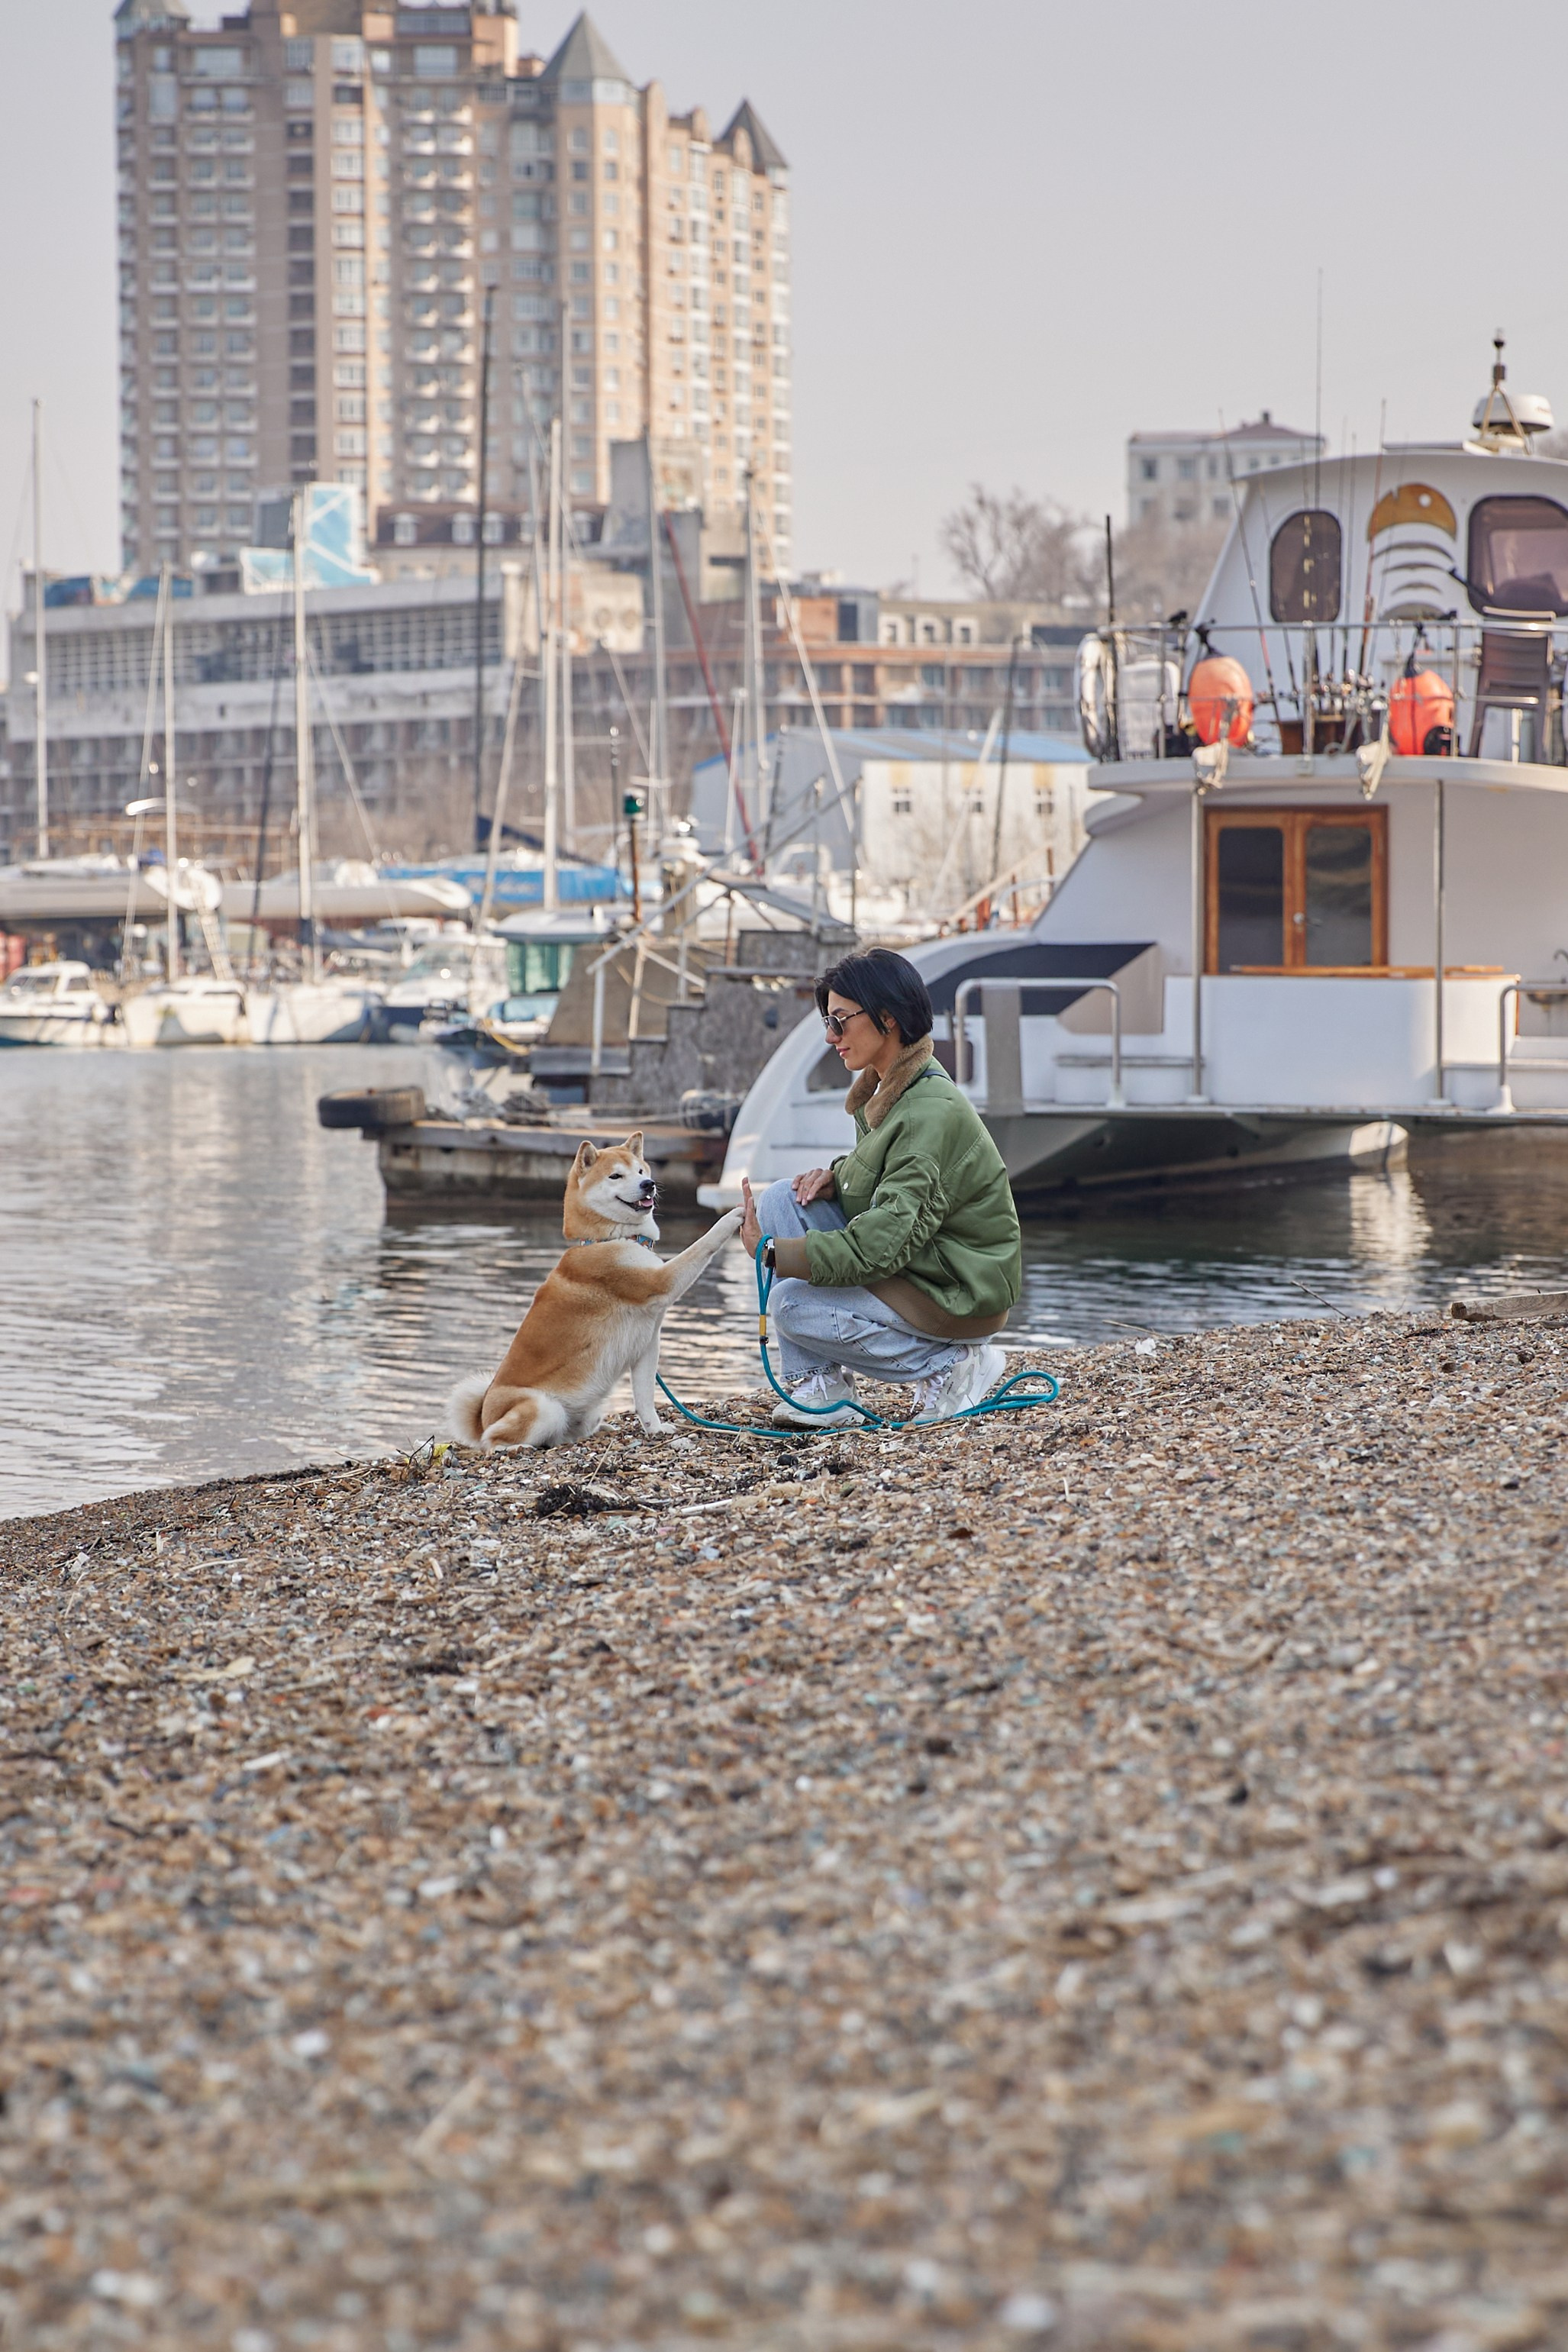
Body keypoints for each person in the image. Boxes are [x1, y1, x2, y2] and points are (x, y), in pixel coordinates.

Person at [737, 947, 1022, 1428]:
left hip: (958, 1291)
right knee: (782, 1199)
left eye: (841, 1021)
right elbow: (896, 1183)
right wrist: (836, 1176)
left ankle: (951, 1367)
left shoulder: (924, 1111)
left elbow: (880, 1245)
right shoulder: (891, 1087)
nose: (831, 1036)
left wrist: (771, 1253)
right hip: (925, 1265)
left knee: (789, 1305)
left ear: (888, 1018)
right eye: (829, 1021)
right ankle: (821, 1387)